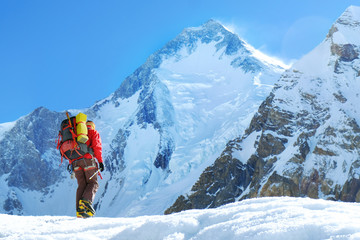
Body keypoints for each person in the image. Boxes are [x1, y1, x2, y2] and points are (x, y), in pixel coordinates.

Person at [72, 120, 105, 218]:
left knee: (81, 185)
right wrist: (100, 161)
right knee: (93, 183)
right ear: (92, 126)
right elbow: (97, 147)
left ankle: (79, 211)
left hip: (75, 163)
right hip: (88, 161)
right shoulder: (93, 132)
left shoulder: (76, 134)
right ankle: (86, 202)